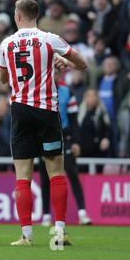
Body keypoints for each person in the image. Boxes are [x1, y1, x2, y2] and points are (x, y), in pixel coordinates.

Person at [0, 0, 87, 246]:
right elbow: (83, 63)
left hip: (20, 112)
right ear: (37, 15)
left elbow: (3, 79)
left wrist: (5, 62)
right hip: (47, 110)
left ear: (17, 16)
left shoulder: (7, 43)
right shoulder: (50, 39)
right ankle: (59, 233)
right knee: (56, 172)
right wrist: (64, 62)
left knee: (23, 176)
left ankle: (26, 236)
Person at [39, 69, 92, 227]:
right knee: (45, 178)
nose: (56, 76)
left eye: (57, 74)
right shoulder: (40, 93)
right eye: (53, 73)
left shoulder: (67, 92)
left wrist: (76, 142)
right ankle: (47, 215)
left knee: (72, 173)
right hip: (45, 138)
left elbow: (74, 120)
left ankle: (82, 213)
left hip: (65, 137)